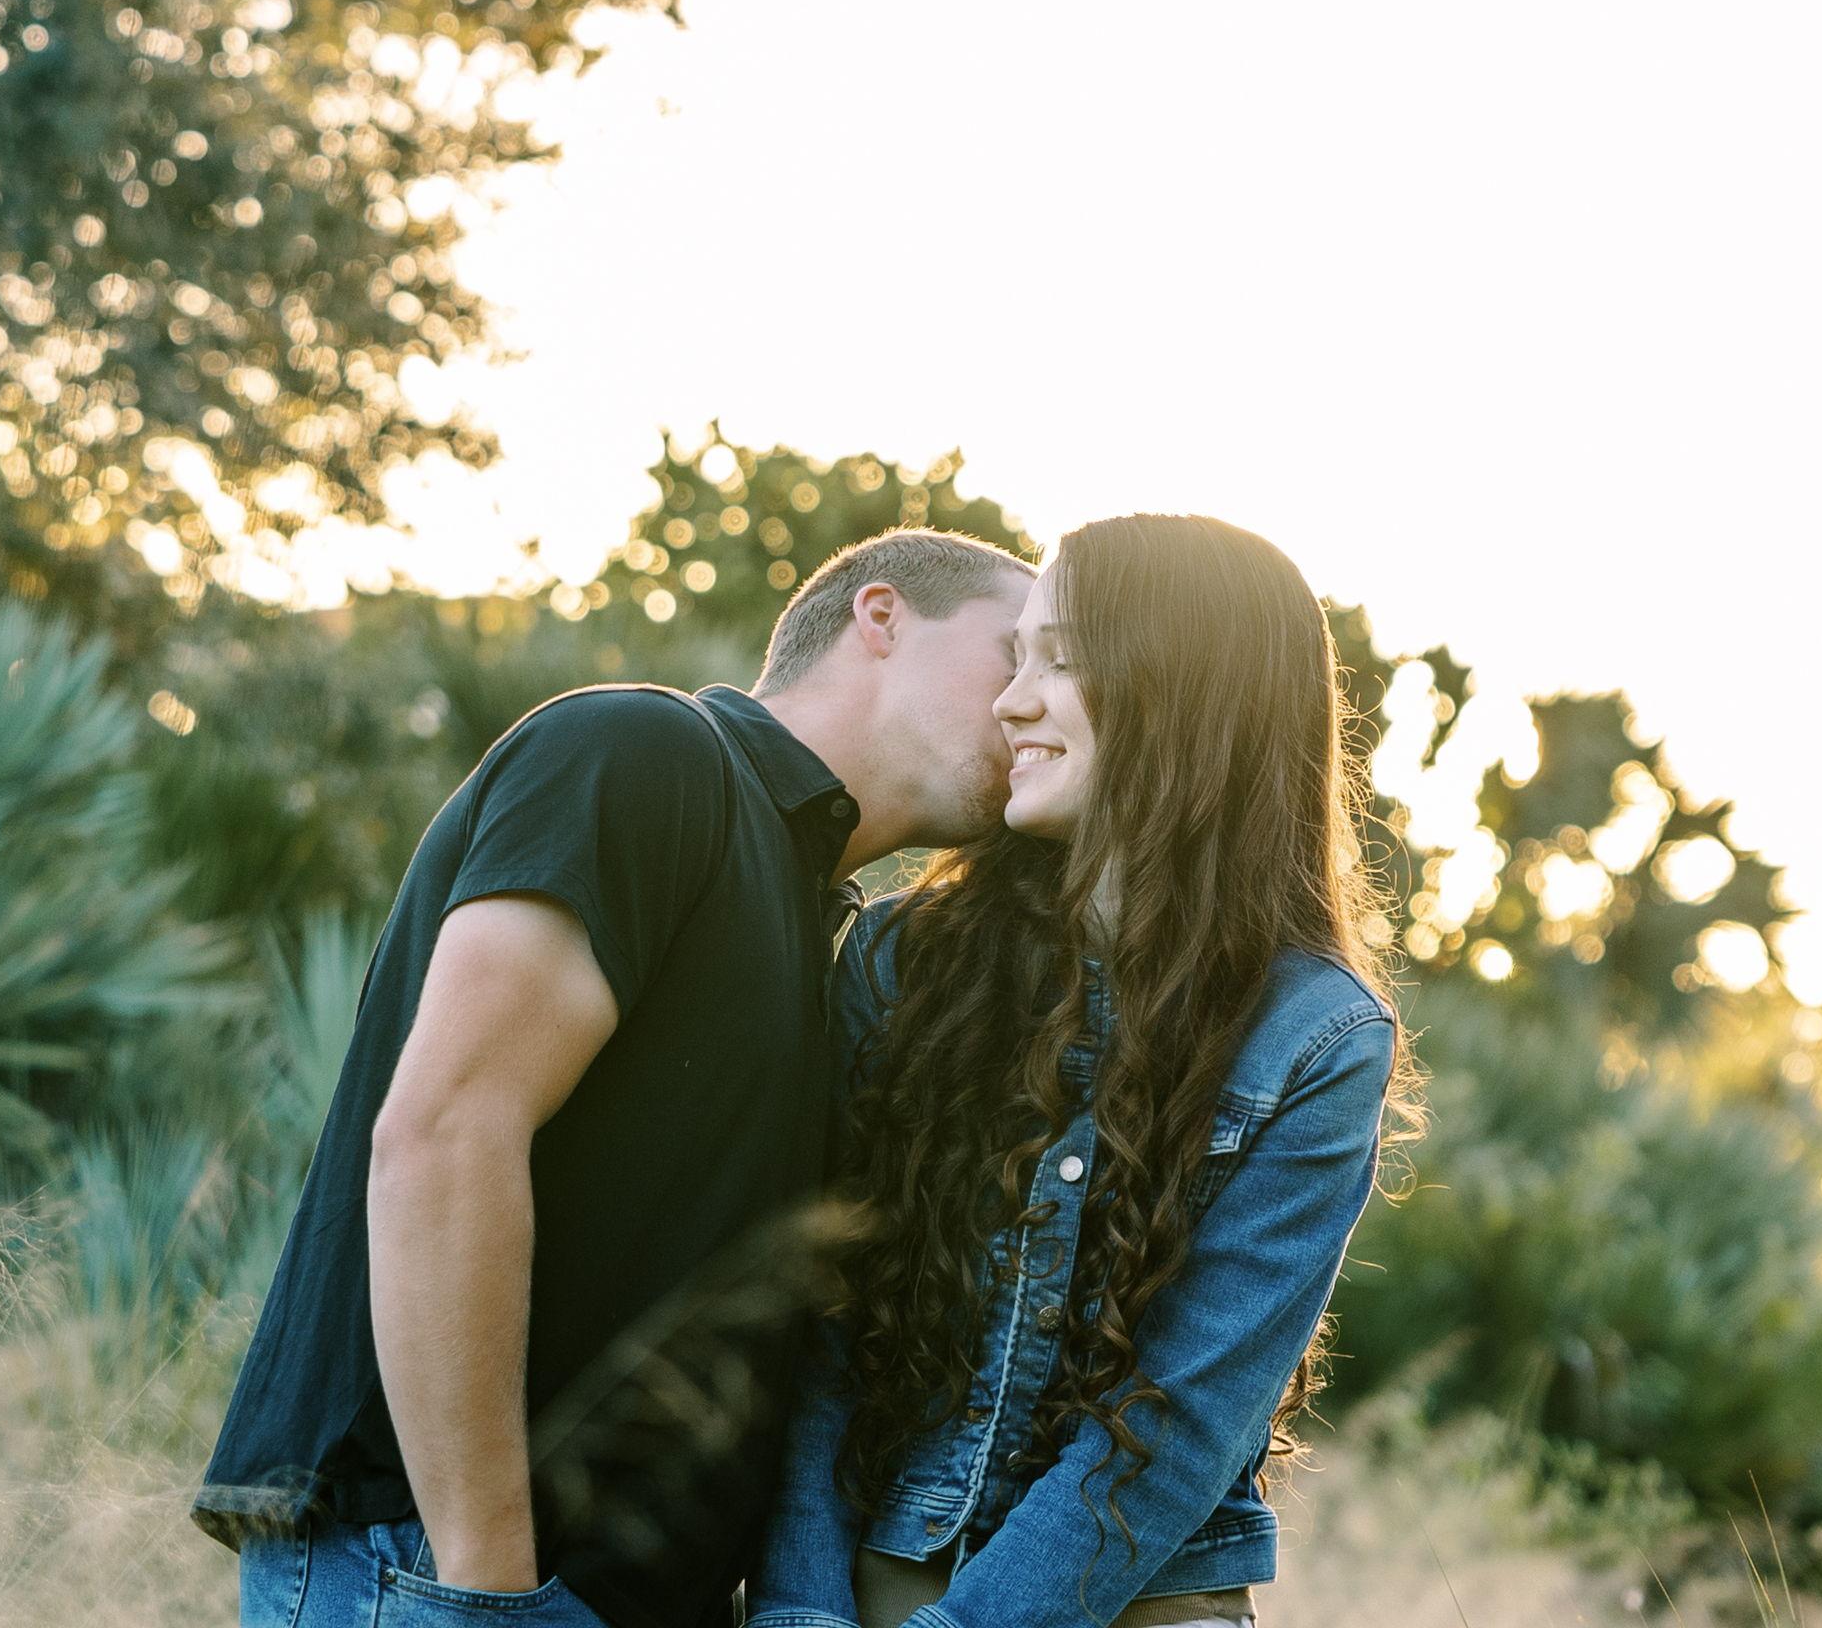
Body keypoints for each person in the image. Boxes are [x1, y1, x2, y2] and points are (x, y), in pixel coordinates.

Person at [193, 527, 1035, 1628]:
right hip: (438, 1570)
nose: (1033, 703)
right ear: (881, 617)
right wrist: (488, 1585)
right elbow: (445, 1133)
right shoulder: (644, 752)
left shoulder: (815, 921)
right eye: (1015, 653)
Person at [747, 513, 1421, 1628]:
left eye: (1058, 661)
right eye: (1014, 659)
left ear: (1182, 691)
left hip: (1139, 1599)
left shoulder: (1316, 1037)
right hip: (875, 1569)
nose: (1011, 701)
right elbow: (818, 1329)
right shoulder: (898, 960)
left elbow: (1179, 1418)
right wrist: (796, 1612)